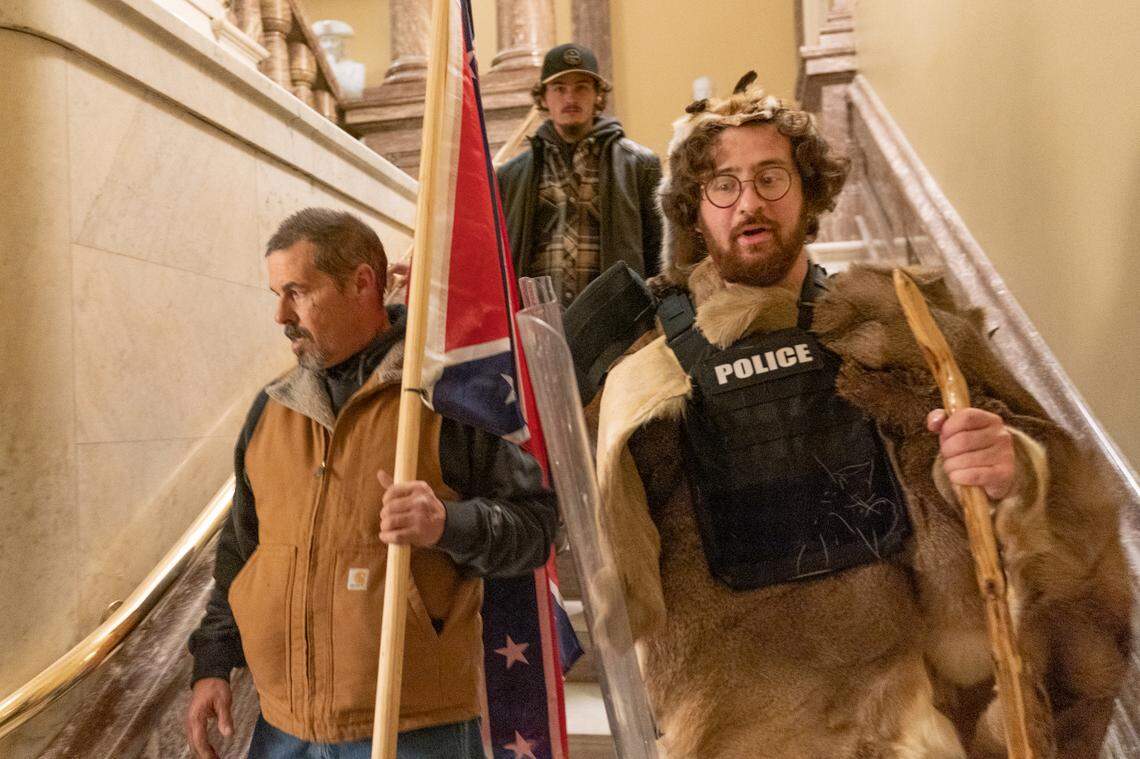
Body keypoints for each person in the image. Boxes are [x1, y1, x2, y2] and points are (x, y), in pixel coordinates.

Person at [589, 75, 1131, 758]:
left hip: (914, 720)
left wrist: (1014, 471)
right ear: (695, 211)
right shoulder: (646, 380)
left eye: (771, 177)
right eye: (722, 184)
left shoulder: (913, 334)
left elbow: (1070, 513)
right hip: (746, 723)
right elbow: (610, 564)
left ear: (809, 192)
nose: (749, 202)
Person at [185, 208, 558, 758]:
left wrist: (447, 524)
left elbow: (536, 526)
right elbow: (241, 549)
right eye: (276, 293)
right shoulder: (271, 409)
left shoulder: (448, 398)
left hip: (413, 729)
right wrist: (213, 664)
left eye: (297, 292)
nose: (280, 315)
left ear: (363, 283)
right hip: (282, 726)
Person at [497, 43, 662, 307]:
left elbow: (659, 254)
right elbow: (491, 259)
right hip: (536, 325)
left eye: (581, 87)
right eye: (559, 89)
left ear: (598, 95)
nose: (570, 98)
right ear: (543, 98)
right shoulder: (510, 176)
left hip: (617, 327)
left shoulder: (640, 165)